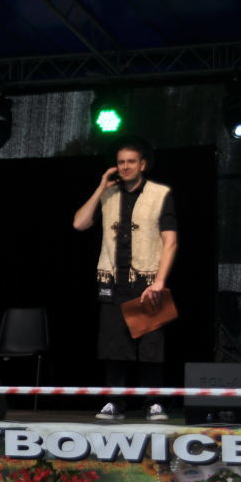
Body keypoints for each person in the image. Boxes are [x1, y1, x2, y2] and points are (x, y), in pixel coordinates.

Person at [72, 137, 178, 421]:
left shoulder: (160, 194)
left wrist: (160, 281)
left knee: (151, 346)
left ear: (143, 164)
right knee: (113, 346)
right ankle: (115, 402)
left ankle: (154, 402)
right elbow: (79, 223)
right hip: (112, 280)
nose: (125, 166)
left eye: (131, 161)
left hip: (147, 281)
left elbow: (170, 241)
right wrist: (100, 187)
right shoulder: (108, 194)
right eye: (121, 162)